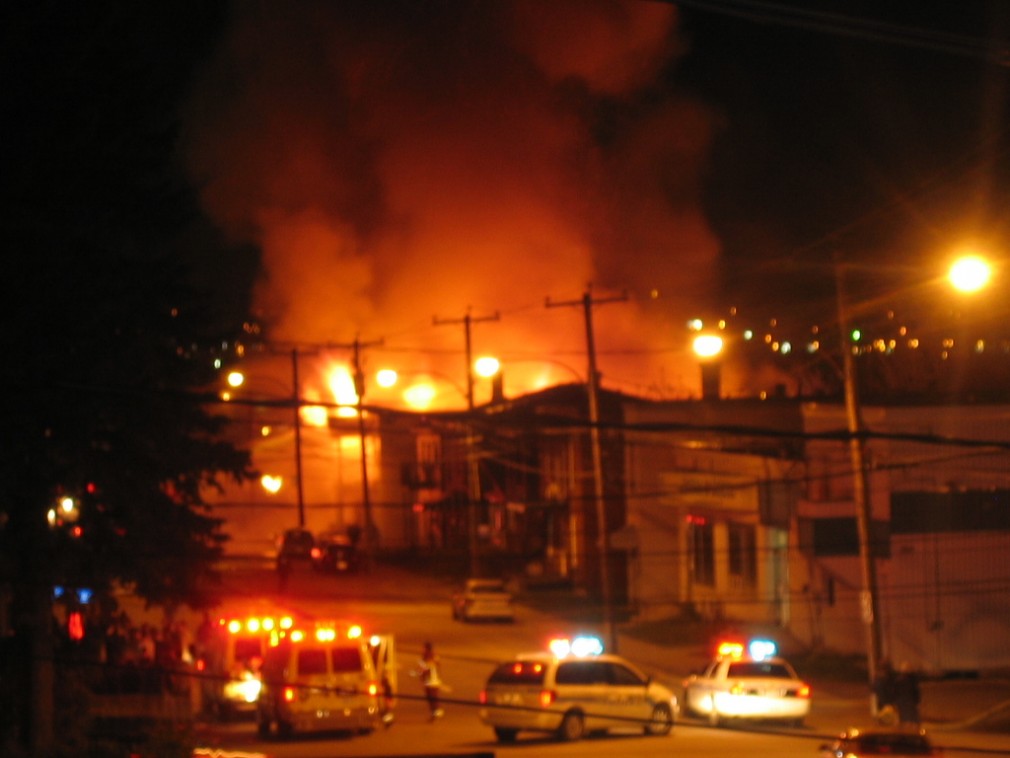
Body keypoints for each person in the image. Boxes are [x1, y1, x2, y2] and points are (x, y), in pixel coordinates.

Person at [417, 641, 443, 720]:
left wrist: (423, 668)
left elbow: (431, 666)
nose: (422, 649)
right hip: (428, 681)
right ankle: (434, 712)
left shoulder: (432, 656)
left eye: (424, 648)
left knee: (433, 697)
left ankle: (436, 712)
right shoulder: (424, 657)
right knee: (430, 698)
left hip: (433, 681)